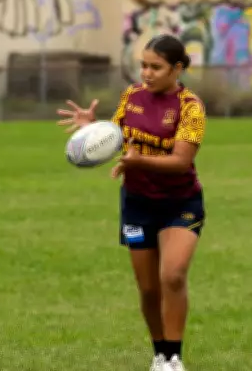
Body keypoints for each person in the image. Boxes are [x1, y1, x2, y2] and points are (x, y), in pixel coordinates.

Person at [56, 34, 206, 371]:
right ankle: (159, 354)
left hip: (180, 202)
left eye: (156, 67)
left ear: (177, 68)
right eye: (143, 65)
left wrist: (138, 162)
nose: (147, 73)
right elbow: (117, 136)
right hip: (137, 204)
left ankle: (175, 357)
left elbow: (181, 161)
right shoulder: (132, 96)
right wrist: (91, 129)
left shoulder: (190, 107)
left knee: (173, 275)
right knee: (149, 288)